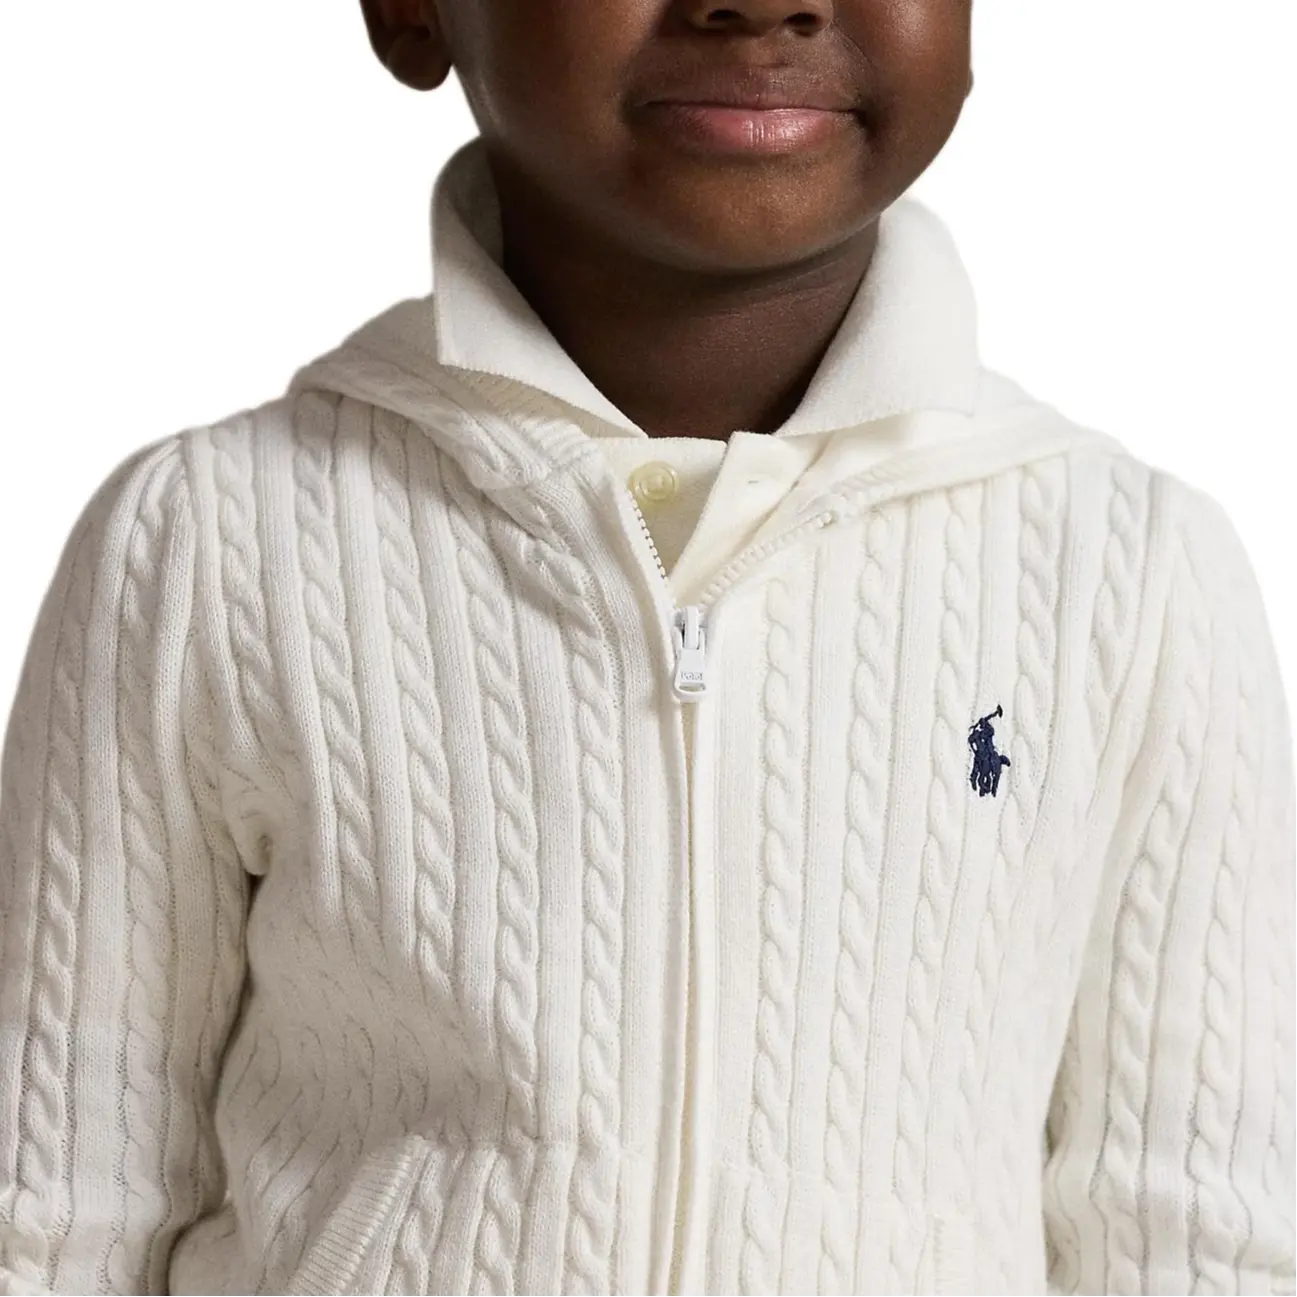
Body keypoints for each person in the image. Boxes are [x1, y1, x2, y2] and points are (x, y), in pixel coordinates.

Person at [1, 1, 1293, 1293]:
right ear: (410, 11)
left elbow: (1194, 1235)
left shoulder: (1132, 574)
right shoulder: (208, 543)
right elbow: (55, 1210)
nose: (764, 1)